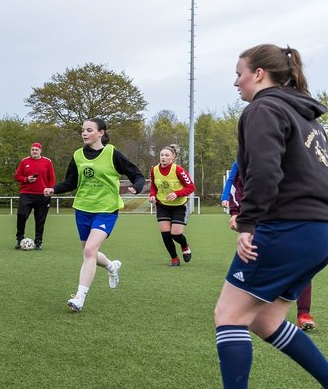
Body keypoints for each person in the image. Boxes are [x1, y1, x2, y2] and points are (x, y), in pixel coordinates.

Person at [186, 44, 328, 389]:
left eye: (239, 73)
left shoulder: (262, 110)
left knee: (229, 315)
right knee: (266, 319)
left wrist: (248, 224)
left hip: (288, 228)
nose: (235, 81)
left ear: (260, 75)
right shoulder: (306, 116)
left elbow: (266, 170)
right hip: (322, 232)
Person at [44, 117, 144, 313]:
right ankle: (111, 266)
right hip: (82, 209)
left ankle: (79, 297)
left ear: (101, 133)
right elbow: (71, 182)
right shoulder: (78, 155)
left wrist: (136, 187)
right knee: (89, 252)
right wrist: (53, 189)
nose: (84, 133)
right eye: (83, 130)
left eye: (89, 130)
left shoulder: (112, 153)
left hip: (106, 210)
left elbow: (137, 174)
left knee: (89, 251)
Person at [225, 160, 318, 331]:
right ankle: (248, 306)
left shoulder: (292, 150)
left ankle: (303, 313)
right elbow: (236, 186)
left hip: (291, 215)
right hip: (258, 217)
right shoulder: (247, 154)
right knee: (254, 258)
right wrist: (235, 212)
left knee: (301, 264)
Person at [148, 144, 195, 265]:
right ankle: (174, 258)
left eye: (167, 155)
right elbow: (153, 185)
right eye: (161, 155)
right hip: (162, 205)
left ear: (173, 157)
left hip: (179, 207)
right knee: (165, 233)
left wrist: (177, 193)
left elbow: (191, 187)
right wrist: (152, 195)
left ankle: (184, 246)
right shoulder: (154, 170)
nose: (163, 157)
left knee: (176, 233)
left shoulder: (178, 170)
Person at [13, 141, 55, 250]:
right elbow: (17, 176)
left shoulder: (47, 162)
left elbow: (51, 178)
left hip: (43, 195)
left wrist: (50, 190)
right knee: (22, 215)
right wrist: (26, 179)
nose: (34, 151)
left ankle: (38, 242)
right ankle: (19, 238)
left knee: (40, 220)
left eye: (36, 150)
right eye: (32, 149)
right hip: (26, 194)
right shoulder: (24, 161)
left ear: (40, 151)